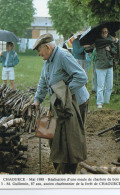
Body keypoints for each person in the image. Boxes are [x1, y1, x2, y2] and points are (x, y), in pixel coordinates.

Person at [33, 33, 89, 174]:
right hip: (61, 104)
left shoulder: (63, 56)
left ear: (47, 47)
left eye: (39, 51)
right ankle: (61, 169)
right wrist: (37, 99)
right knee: (56, 138)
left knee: (72, 139)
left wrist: (64, 93)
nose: (38, 54)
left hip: (77, 103)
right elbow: (43, 81)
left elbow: (82, 77)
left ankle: (69, 173)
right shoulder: (47, 60)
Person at [95, 27, 117, 109]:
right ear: (100, 33)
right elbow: (107, 41)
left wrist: (110, 49)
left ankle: (106, 101)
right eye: (103, 32)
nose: (104, 34)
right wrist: (112, 40)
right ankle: (99, 103)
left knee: (109, 85)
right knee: (101, 86)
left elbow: (115, 51)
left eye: (106, 32)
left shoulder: (109, 41)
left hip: (109, 66)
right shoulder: (98, 41)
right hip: (100, 66)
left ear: (108, 32)